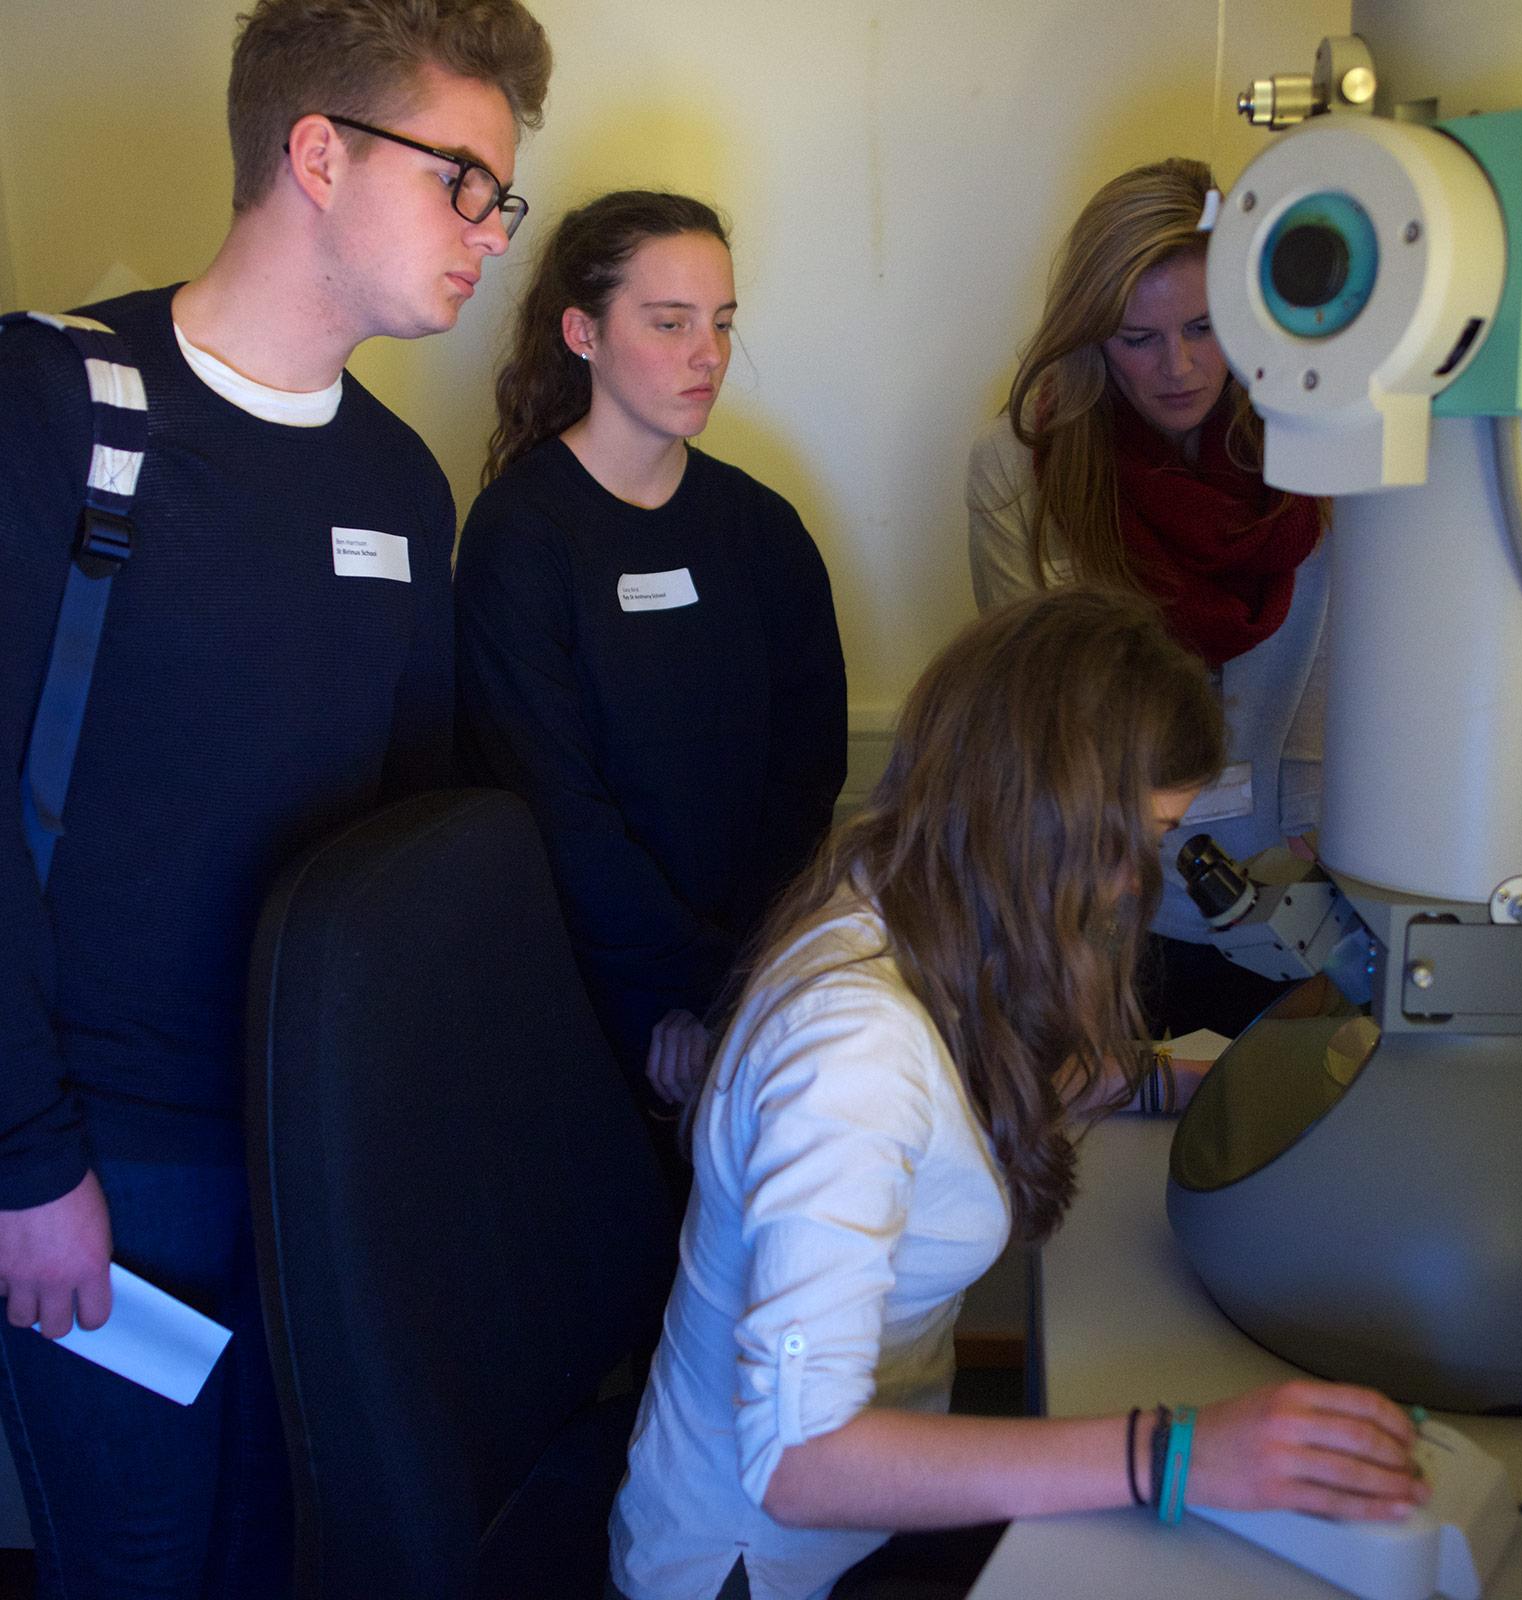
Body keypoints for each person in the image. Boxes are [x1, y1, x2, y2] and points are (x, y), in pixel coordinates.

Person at [0, 1, 551, 1591]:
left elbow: (410, 850)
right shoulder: (60, 408)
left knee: (282, 1548)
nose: (491, 236)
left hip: (305, 1152)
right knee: (140, 1563)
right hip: (104, 1161)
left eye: (500, 198)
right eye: (464, 182)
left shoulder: (398, 482)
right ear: (318, 153)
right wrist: (27, 1165)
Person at [607, 589, 1423, 1600]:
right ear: (1053, 821)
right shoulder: (850, 1052)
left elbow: (1009, 1069)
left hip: (857, 1523)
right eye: (1145, 837)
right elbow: (800, 1464)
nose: (1138, 881)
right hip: (760, 1564)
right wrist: (1175, 1453)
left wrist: (1199, 1084)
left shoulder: (907, 884)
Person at [456, 190, 847, 1151]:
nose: (707, 354)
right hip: (583, 999)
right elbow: (554, 805)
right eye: (670, 323)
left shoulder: (763, 530)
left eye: (720, 324)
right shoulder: (522, 535)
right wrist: (676, 994)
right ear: (582, 333)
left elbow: (807, 773)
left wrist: (733, 989)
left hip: (754, 987)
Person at [967, 157, 1329, 1038]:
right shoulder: (1019, 473)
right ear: (1090, 336)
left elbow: (1363, 682)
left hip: (1310, 910)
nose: (1180, 366)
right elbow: (1037, 726)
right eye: (1139, 338)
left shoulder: (1328, 455)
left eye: (1205, 328)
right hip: (1108, 917)